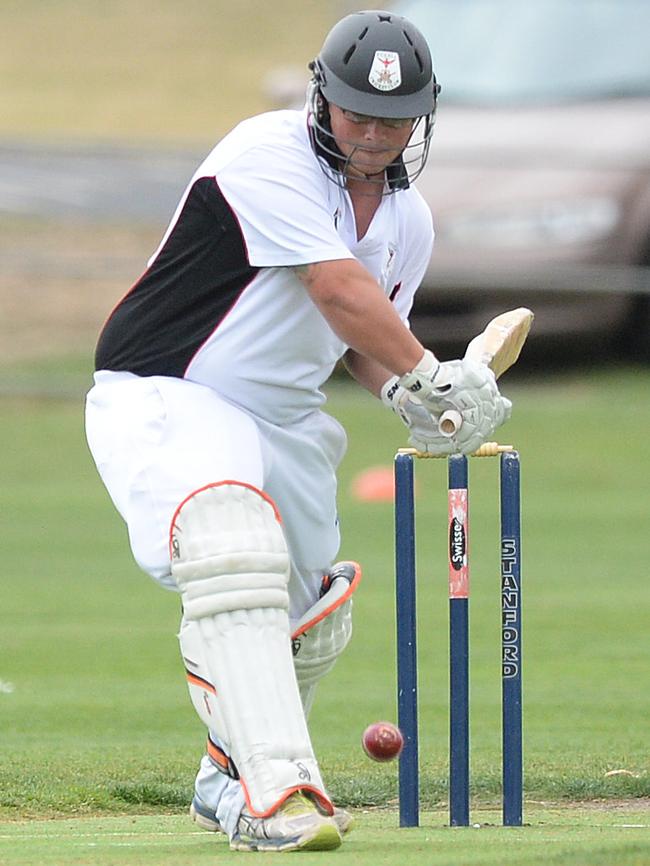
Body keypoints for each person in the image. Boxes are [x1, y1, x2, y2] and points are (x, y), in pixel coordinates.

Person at [85, 9, 511, 853]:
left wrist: (423, 401)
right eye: (358, 112)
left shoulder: (409, 221)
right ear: (323, 96)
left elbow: (366, 342)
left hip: (283, 418)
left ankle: (221, 777)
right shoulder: (265, 154)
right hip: (172, 388)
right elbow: (335, 290)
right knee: (230, 542)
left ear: (422, 116)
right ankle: (271, 793)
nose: (374, 135)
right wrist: (432, 372)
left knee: (312, 610)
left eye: (395, 119)